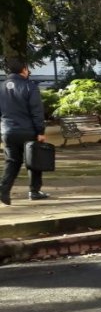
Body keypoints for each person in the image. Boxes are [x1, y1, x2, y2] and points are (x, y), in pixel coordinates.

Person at [0, 57, 48, 205]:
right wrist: (40, 131)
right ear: (24, 70)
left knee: (12, 161)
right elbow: (37, 111)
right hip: (28, 130)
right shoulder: (29, 86)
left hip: (8, 131)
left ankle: (4, 190)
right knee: (34, 160)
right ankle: (34, 191)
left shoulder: (1, 87)